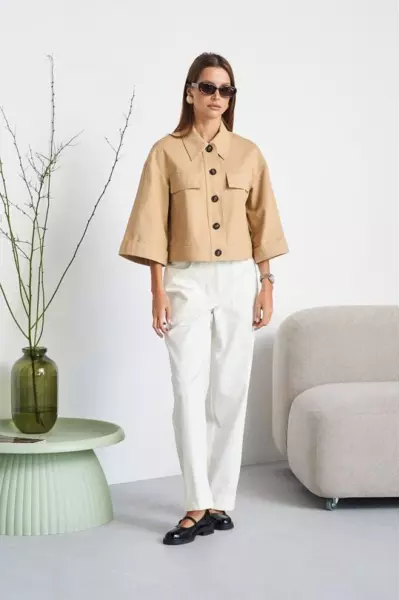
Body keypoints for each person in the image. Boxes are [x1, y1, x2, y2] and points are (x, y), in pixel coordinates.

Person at [118, 52, 289, 546]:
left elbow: (263, 222)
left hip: (238, 279)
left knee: (231, 390)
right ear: (190, 91)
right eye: (208, 87)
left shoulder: (249, 154)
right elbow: (152, 226)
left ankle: (219, 501)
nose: (217, 97)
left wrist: (266, 284)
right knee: (188, 391)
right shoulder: (165, 152)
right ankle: (195, 503)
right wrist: (157, 290)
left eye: (225, 90)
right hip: (186, 280)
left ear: (231, 98)